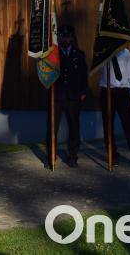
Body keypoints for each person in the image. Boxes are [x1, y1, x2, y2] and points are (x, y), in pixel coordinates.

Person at [47, 25, 88, 168]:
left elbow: (83, 74)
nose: (65, 39)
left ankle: (72, 156)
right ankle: (50, 156)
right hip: (56, 97)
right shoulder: (53, 54)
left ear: (71, 38)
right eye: (62, 37)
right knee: (52, 128)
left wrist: (83, 92)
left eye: (67, 36)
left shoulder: (79, 54)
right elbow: (46, 73)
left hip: (73, 97)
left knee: (74, 128)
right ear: (59, 38)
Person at [100, 47, 130, 168]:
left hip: (124, 91)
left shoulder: (125, 52)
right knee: (108, 126)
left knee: (129, 126)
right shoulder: (103, 50)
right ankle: (113, 156)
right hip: (107, 91)